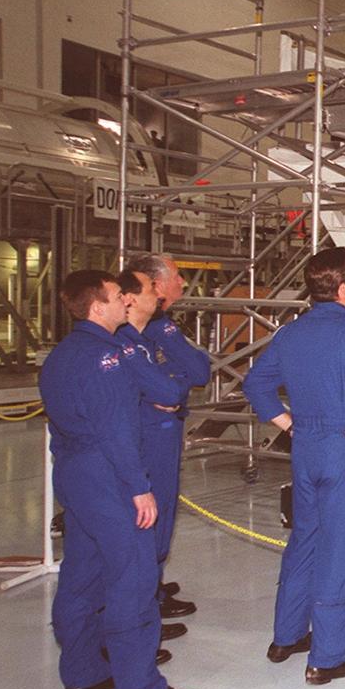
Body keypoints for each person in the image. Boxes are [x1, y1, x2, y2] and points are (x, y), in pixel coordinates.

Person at [39, 269, 202, 689]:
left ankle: (82, 673)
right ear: (98, 307)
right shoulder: (107, 358)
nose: (124, 303)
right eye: (117, 297)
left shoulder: (63, 354)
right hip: (109, 475)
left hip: (74, 474)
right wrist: (138, 489)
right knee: (132, 578)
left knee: (82, 575)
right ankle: (139, 688)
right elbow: (115, 430)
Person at [243, 248, 345, 685]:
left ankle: (286, 637)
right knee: (340, 547)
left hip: (306, 446)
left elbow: (255, 383)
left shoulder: (289, 334)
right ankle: (327, 658)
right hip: (344, 446)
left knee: (304, 539)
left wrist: (287, 422)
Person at [123, 254, 210, 618]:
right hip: (146, 437)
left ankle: (151, 588)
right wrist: (164, 388)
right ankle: (143, 603)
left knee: (163, 513)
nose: (182, 283)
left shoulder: (161, 326)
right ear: (155, 286)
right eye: (176, 276)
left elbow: (199, 370)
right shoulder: (134, 333)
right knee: (147, 520)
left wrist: (166, 386)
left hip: (165, 430)